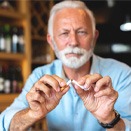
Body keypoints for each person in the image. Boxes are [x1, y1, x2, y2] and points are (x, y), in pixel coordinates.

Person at [0, 1, 131, 131]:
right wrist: (31, 114)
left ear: (94, 38)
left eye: (81, 32)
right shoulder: (40, 76)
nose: (73, 42)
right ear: (51, 42)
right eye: (64, 33)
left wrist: (109, 119)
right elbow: (4, 124)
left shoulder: (122, 74)